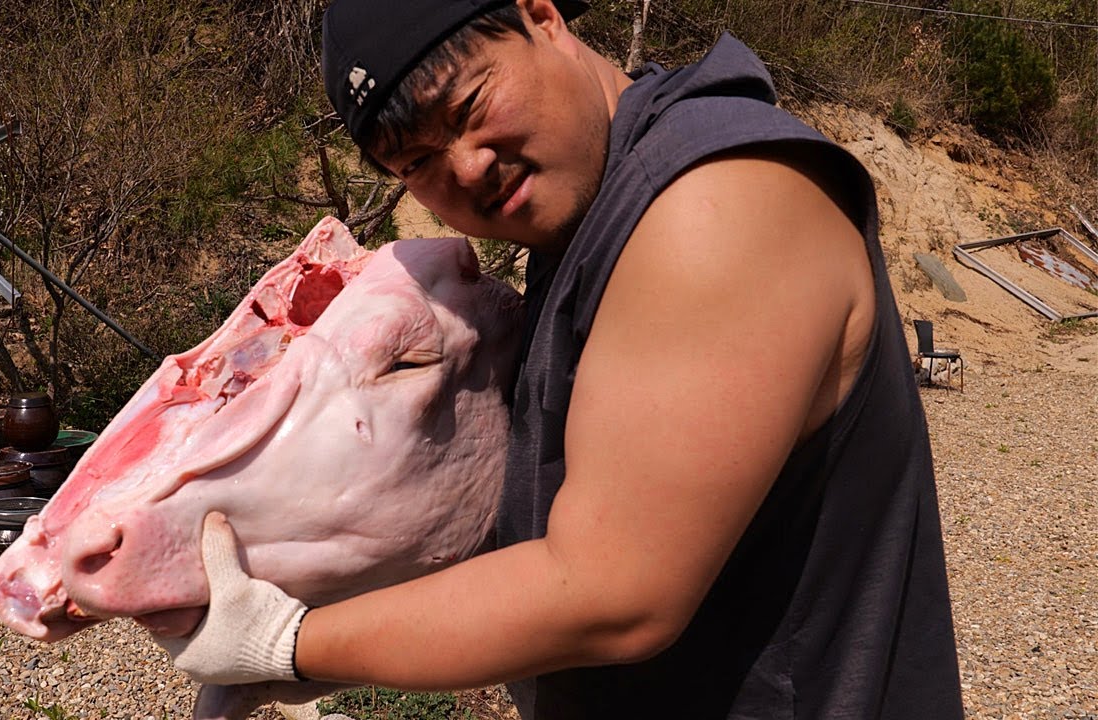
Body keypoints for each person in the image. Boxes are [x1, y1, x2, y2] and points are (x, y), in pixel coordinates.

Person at [153, 1, 966, 717]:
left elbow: (613, 592)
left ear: (542, 16)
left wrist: (288, 644)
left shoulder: (714, 206)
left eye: (470, 105)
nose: (467, 167)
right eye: (418, 163)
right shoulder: (594, 213)